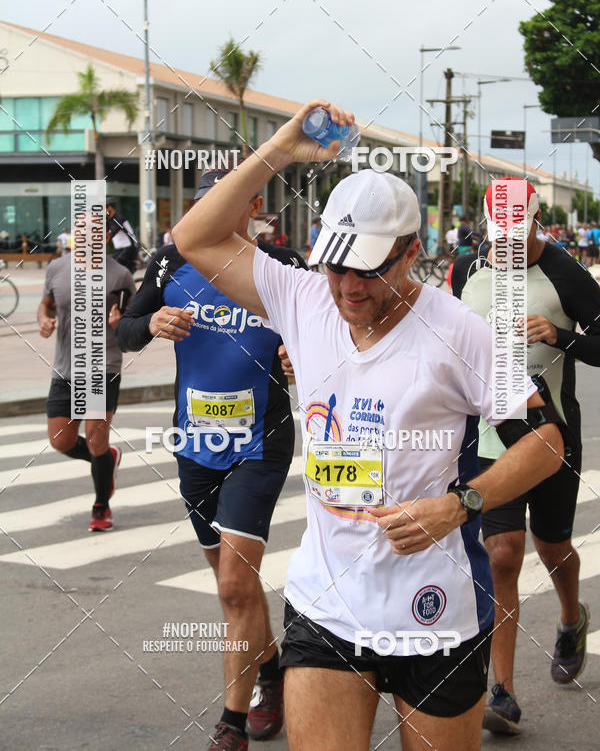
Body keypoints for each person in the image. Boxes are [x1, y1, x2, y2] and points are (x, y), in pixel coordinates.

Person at [170, 99, 565, 751]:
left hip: (434, 610)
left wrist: (459, 506)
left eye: (371, 268)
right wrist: (282, 149)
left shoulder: (460, 331)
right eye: (337, 264)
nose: (349, 286)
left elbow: (547, 443)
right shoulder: (301, 298)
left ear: (412, 252)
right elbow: (195, 238)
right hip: (327, 604)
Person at [117, 169, 307, 751]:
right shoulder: (170, 262)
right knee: (235, 587)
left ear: (252, 205)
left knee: (232, 584)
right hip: (196, 444)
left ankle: (231, 724)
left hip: (260, 440)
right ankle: (270, 671)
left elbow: (330, 331)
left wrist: (298, 354)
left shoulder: (281, 263)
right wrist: (151, 322)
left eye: (226, 203)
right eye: (205, 205)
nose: (214, 214)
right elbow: (125, 331)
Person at [452, 180, 600, 735]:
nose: (507, 246)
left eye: (517, 236)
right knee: (503, 554)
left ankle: (571, 616)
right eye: (499, 236)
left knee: (554, 546)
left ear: (537, 223)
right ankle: (503, 691)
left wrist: (561, 336)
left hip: (553, 436)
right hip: (491, 443)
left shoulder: (566, 272)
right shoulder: (466, 269)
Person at [38, 214, 136, 531]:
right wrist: (44, 320)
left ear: (105, 237)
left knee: (95, 440)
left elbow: (133, 320)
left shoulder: (120, 275)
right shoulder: (56, 268)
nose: (85, 236)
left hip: (103, 365)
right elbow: (46, 304)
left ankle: (101, 507)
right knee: (60, 440)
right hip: (65, 367)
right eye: (80, 230)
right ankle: (108, 457)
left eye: (94, 231)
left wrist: (120, 324)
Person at [106, 198, 139, 274]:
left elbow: (113, 232)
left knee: (116, 264)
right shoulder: (109, 220)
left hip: (129, 246)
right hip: (120, 248)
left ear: (110, 208)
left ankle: (132, 268)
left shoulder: (119, 218)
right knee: (112, 264)